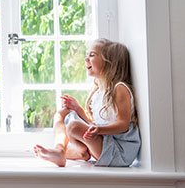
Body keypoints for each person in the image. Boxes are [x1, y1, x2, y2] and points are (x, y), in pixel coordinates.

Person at [34, 38, 140, 167]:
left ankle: (72, 152)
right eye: (87, 55)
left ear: (109, 62)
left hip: (119, 151)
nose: (86, 59)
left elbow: (123, 125)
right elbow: (95, 124)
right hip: (105, 142)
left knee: (74, 127)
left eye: (92, 55)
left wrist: (98, 130)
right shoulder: (98, 91)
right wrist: (77, 109)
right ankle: (60, 150)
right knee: (62, 115)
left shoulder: (120, 88)